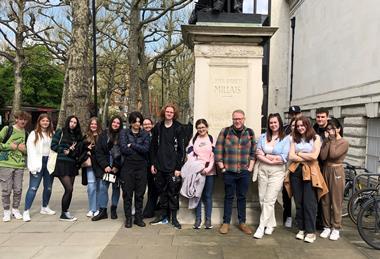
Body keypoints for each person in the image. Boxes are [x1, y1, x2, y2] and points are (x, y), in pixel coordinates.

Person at [285, 116, 328, 243]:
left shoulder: (316, 138)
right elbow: (291, 155)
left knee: (310, 202)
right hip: (296, 171)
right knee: (298, 201)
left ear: (308, 125)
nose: (300, 128)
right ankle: (301, 228)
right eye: (297, 126)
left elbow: (315, 156)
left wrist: (299, 154)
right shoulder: (293, 138)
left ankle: (310, 231)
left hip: (311, 172)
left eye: (302, 125)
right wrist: (305, 156)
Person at [215, 109, 256, 235]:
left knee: (242, 197)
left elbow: (253, 153)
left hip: (244, 172)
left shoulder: (249, 132)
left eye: (239, 119)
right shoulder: (225, 131)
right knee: (228, 197)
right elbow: (218, 151)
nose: (237, 121)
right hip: (229, 171)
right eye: (235, 119)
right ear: (232, 119)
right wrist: (222, 168)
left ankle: (242, 222)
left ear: (244, 119)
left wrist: (250, 168)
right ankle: (226, 222)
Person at [253, 113, 290, 239]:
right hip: (263, 170)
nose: (273, 125)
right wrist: (270, 159)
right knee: (262, 198)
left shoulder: (286, 139)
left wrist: (266, 156)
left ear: (279, 123)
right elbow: (258, 153)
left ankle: (261, 226)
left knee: (270, 199)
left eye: (275, 122)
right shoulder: (263, 137)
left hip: (277, 172)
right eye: (271, 123)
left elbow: (284, 158)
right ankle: (271, 223)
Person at [149, 104, 185, 229]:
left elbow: (181, 150)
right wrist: (153, 163)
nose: (169, 113)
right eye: (167, 111)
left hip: (172, 167)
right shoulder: (158, 127)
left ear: (174, 114)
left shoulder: (178, 128)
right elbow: (153, 147)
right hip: (159, 166)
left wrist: (178, 168)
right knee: (162, 192)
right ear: (164, 112)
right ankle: (163, 216)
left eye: (171, 112)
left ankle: (174, 218)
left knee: (173, 193)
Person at [319, 118, 349, 241]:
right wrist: (327, 141)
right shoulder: (327, 141)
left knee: (336, 201)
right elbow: (323, 156)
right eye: (328, 129)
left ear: (338, 129)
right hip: (326, 170)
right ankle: (326, 226)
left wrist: (331, 140)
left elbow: (334, 155)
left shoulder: (344, 142)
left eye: (332, 128)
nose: (330, 131)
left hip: (337, 171)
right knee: (325, 199)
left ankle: (336, 227)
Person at [119, 112, 151, 228]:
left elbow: (146, 149)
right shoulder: (124, 132)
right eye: (135, 121)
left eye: (139, 121)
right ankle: (128, 219)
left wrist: (132, 145)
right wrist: (138, 150)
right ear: (131, 122)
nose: (137, 123)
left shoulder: (145, 134)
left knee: (140, 194)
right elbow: (123, 149)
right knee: (127, 194)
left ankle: (138, 218)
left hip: (141, 167)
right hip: (127, 167)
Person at [23, 113, 55, 222]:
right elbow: (30, 151)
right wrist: (32, 166)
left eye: (47, 121)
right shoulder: (34, 134)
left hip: (49, 162)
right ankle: (26, 211)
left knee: (48, 187)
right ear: (39, 122)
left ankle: (45, 207)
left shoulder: (52, 134)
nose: (45, 123)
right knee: (33, 188)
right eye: (43, 121)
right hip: (38, 162)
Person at [51, 115, 83, 221]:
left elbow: (78, 150)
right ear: (68, 122)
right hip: (62, 164)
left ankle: (66, 212)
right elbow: (53, 145)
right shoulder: (61, 131)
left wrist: (73, 150)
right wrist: (64, 150)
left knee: (70, 190)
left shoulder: (77, 135)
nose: (72, 124)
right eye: (71, 122)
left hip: (72, 164)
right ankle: (63, 214)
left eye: (75, 122)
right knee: (68, 188)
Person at [0, 111, 31, 222]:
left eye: (25, 119)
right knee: (6, 190)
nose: (23, 121)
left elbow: (30, 151)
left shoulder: (26, 134)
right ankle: (6, 211)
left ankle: (15, 209)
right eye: (21, 119)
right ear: (16, 119)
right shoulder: (7, 130)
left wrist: (25, 150)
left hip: (19, 165)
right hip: (5, 164)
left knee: (18, 189)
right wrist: (9, 146)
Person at [186, 119, 215, 230]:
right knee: (197, 195)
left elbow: (213, 155)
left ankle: (208, 220)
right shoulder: (194, 140)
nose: (201, 129)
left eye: (203, 127)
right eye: (199, 128)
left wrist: (207, 169)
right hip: (197, 172)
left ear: (207, 127)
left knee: (207, 196)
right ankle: (198, 220)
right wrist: (196, 166)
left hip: (209, 172)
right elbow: (189, 153)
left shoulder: (211, 139)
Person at [92, 115, 122, 221]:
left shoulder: (122, 135)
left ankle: (113, 209)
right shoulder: (103, 134)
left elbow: (123, 152)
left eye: (118, 123)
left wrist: (116, 166)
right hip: (105, 167)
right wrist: (105, 166)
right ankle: (103, 211)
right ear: (111, 122)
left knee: (116, 188)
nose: (116, 124)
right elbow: (98, 152)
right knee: (103, 188)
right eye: (114, 122)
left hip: (117, 167)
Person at [80, 117, 102, 218]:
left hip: (100, 165)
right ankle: (92, 208)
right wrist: (86, 150)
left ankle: (97, 208)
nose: (93, 126)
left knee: (99, 187)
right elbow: (80, 150)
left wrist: (91, 150)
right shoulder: (86, 137)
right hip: (89, 166)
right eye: (92, 124)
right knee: (91, 187)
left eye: (95, 124)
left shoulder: (102, 136)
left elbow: (103, 150)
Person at [313, 107, 330, 230]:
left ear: (327, 117)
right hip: (316, 165)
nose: (320, 119)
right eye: (318, 117)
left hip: (328, 166)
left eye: (322, 117)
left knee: (326, 196)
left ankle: (327, 223)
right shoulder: (314, 128)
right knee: (316, 193)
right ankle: (318, 220)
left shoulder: (331, 129)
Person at [142, 118, 159, 218]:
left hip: (153, 165)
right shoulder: (140, 135)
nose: (147, 126)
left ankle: (150, 210)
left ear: (152, 125)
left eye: (149, 124)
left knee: (153, 188)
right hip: (143, 166)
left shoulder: (155, 135)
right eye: (145, 124)